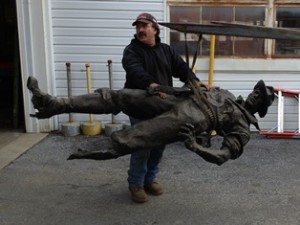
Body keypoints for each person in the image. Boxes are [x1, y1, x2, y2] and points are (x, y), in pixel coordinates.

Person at [27, 76, 274, 187]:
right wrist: (192, 81)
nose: (256, 94)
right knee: (122, 96)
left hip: (192, 118)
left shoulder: (242, 128)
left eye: (260, 96)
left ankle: (96, 150)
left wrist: (195, 146)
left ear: (261, 106)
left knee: (140, 135)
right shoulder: (228, 94)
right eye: (257, 89)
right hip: (178, 97)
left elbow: (222, 156)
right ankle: (54, 104)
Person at [121, 12, 203, 203]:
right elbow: (135, 71)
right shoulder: (131, 51)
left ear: (155, 29)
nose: (140, 30)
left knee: (159, 146)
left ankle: (149, 179)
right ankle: (136, 184)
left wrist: (195, 82)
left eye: (144, 26)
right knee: (142, 146)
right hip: (139, 106)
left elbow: (181, 68)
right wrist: (151, 85)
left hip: (163, 106)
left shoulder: (166, 50)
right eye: (138, 27)